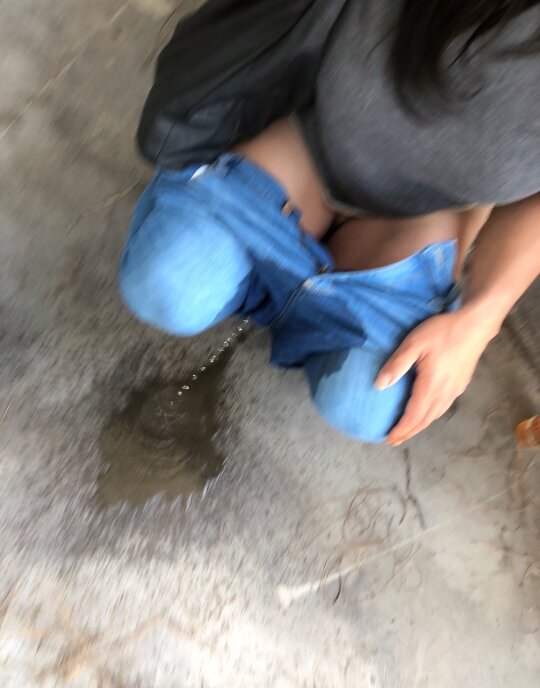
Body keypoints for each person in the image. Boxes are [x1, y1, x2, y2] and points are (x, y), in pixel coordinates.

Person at [120, 0, 540, 445]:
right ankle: (265, 274)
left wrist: (482, 318)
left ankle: (284, 288)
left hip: (424, 216)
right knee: (168, 284)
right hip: (307, 144)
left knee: (369, 400)